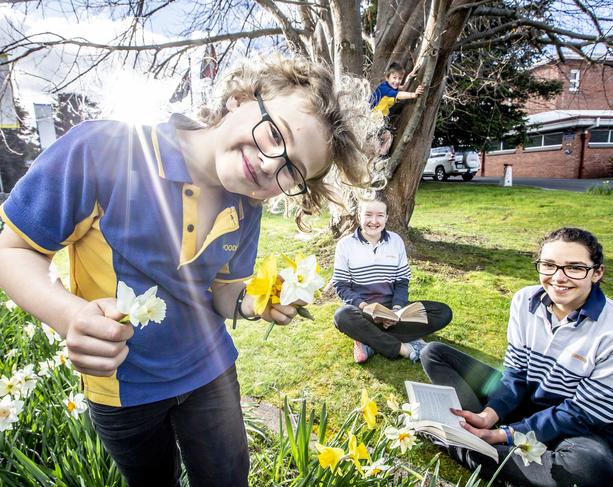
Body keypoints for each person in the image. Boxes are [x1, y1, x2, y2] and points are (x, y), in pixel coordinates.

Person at [0, 55, 373, 486]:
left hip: (210, 370)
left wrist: (259, 305)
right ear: (239, 99)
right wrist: (69, 316)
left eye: (292, 171)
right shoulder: (102, 151)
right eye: (275, 134)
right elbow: (12, 251)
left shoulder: (247, 205)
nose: (272, 165)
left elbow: (223, 294)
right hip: (124, 389)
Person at [420, 227, 613, 487]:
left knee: (591, 472)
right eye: (549, 265)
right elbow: (516, 374)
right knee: (434, 353)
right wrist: (490, 414)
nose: (558, 278)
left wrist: (504, 434)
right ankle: (484, 435)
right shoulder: (524, 300)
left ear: (597, 273)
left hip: (583, 430)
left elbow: (582, 414)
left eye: (574, 268)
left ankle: (460, 442)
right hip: (527, 403)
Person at [332, 196, 452, 364]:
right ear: (359, 215)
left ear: (387, 218)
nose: (374, 221)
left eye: (380, 215)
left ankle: (368, 340)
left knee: (443, 312)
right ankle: (405, 348)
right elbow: (341, 285)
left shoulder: (396, 241)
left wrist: (396, 310)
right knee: (342, 316)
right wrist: (367, 308)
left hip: (395, 312)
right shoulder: (345, 245)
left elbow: (402, 281)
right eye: (368, 215)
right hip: (363, 312)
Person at [369, 62, 424, 156]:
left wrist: (409, 77)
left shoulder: (390, 86)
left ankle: (381, 157)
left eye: (400, 78)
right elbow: (399, 94)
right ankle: (376, 159)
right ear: (387, 78)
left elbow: (401, 88)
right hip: (371, 120)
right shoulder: (384, 89)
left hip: (378, 121)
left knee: (388, 136)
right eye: (394, 78)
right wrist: (413, 94)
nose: (397, 81)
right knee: (375, 141)